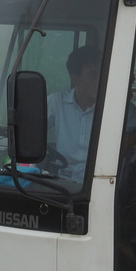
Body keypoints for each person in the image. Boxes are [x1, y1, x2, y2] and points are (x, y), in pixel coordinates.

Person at [45, 46, 102, 184]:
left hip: (101, 182)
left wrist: (125, 142)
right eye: (93, 75)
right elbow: (31, 131)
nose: (99, 80)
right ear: (75, 77)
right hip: (63, 181)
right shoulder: (56, 102)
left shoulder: (113, 105)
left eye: (102, 74)